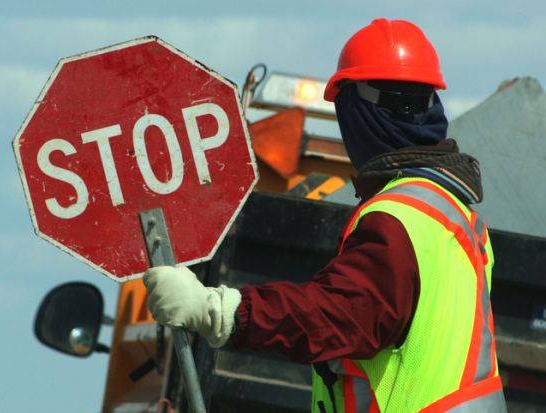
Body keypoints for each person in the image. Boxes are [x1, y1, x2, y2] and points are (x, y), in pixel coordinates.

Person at [144, 18, 507, 413]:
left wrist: (221, 311)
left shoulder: (397, 217)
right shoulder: (457, 218)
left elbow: (340, 315)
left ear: (354, 113)